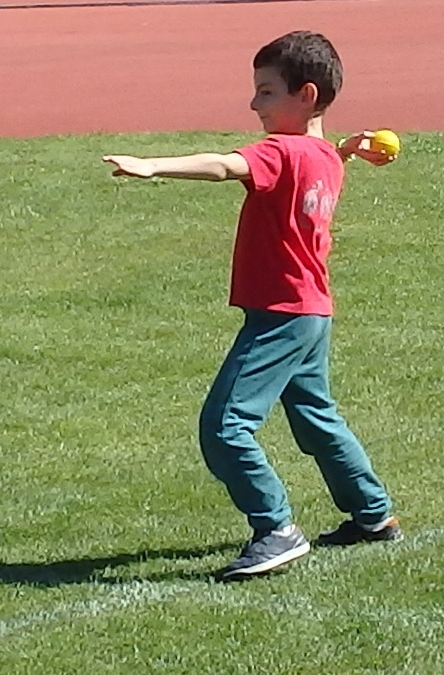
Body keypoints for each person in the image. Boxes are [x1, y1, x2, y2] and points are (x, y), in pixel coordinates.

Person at [103, 31, 400, 581]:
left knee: (224, 427)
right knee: (316, 420)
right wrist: (347, 146)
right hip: (312, 312)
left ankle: (276, 529)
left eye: (265, 92)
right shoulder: (325, 158)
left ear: (305, 95)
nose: (253, 104)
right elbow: (316, 157)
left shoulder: (279, 151)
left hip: (281, 315)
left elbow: (222, 165)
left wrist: (152, 165)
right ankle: (373, 514)